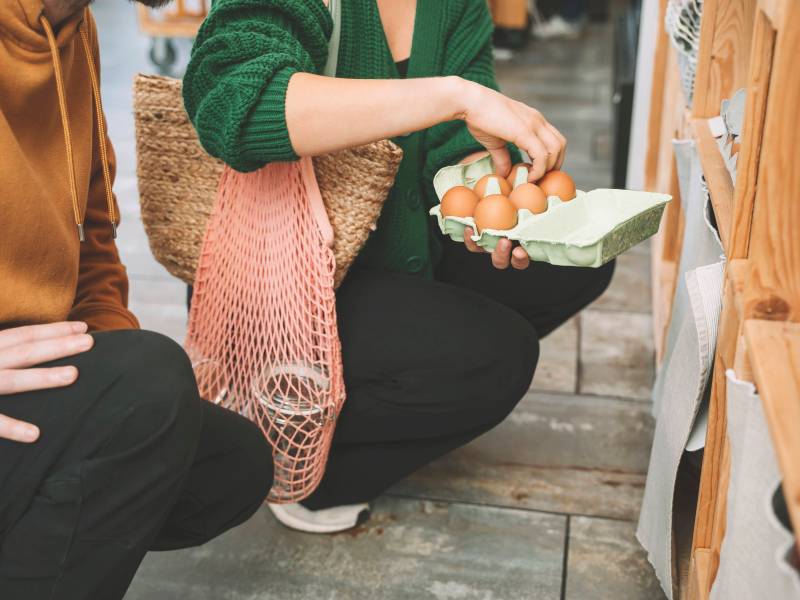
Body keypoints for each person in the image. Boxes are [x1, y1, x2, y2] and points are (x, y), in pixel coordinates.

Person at [183, 0, 614, 534]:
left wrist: (490, 195)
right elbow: (234, 105)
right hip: (282, 275)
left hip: (395, 248)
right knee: (499, 358)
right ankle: (308, 463)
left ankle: (375, 406)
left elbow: (450, 148)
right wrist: (454, 97)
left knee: (577, 259)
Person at [0, 1, 274, 598]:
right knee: (150, 389)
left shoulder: (72, 28)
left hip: (29, 379)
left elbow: (92, 238)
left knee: (224, 465)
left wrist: (123, 389)